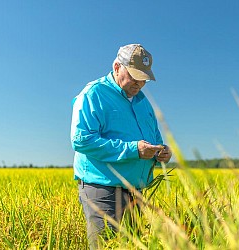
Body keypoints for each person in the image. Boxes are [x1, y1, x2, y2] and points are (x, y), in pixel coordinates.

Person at [70, 44, 172, 249]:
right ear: (117, 67)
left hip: (137, 190)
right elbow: (81, 140)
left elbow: (154, 138)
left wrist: (161, 152)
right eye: (134, 75)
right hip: (103, 188)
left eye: (144, 78)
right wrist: (134, 150)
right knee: (106, 246)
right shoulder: (93, 94)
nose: (140, 83)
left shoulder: (143, 102)